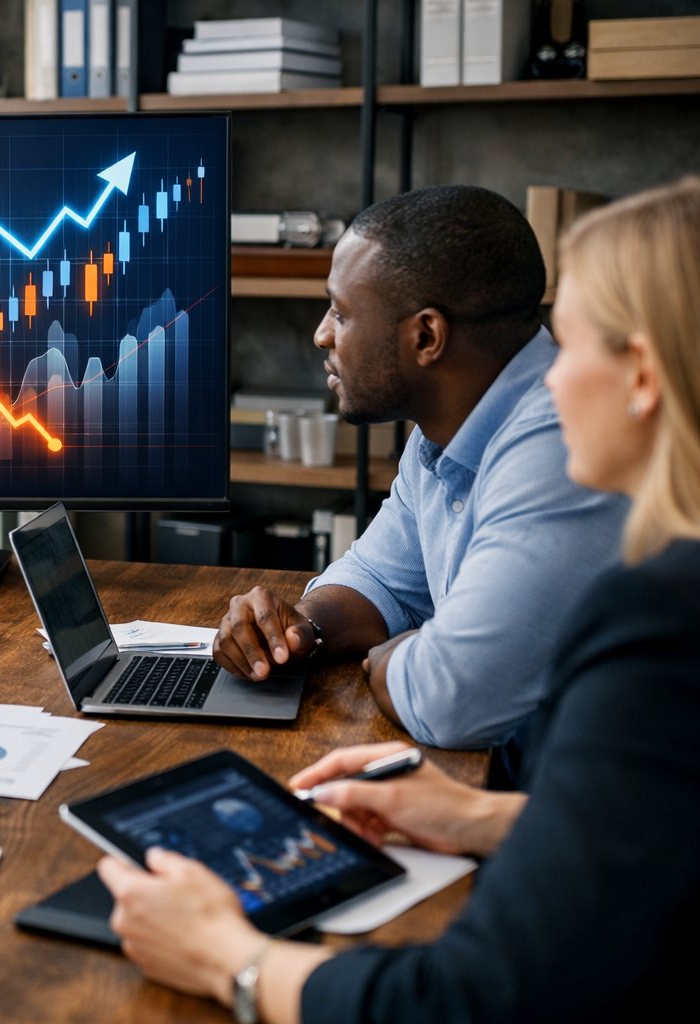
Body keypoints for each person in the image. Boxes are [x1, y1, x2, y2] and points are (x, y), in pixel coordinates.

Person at [100, 177, 700, 1023]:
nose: (552, 380)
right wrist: (486, 818)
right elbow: (665, 830)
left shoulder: (660, 624)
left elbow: (474, 997)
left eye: (571, 345)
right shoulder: (446, 438)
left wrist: (229, 958)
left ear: (640, 376)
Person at [213, 185, 626, 752]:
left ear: (427, 336)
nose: (322, 334)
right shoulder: (444, 428)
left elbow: (450, 700)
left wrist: (398, 655)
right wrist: (298, 629)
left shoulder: (562, 444)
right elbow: (382, 580)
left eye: (341, 311)